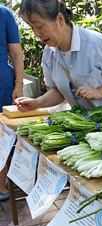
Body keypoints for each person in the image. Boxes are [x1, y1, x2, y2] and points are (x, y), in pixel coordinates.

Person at [15, 0, 102, 117]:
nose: (37, 33)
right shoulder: (49, 53)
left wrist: (98, 92)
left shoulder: (96, 44)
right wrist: (37, 103)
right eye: (32, 28)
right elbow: (59, 91)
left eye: (39, 26)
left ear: (60, 19)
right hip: (90, 126)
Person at [0, 4, 24, 201]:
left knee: (2, 134)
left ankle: (1, 185)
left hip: (2, 83)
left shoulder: (4, 14)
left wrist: (19, 85)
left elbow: (16, 54)